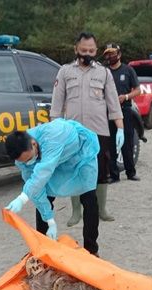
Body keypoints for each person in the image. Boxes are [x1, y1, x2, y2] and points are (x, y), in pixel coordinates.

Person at [50, 32, 125, 226]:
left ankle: (102, 209)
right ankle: (76, 211)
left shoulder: (104, 72)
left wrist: (120, 128)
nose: (87, 53)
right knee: (75, 169)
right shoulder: (65, 71)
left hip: (98, 131)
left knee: (101, 170)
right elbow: (57, 103)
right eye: (84, 50)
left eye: (91, 50)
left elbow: (113, 102)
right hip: (73, 132)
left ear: (96, 51)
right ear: (76, 49)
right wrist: (55, 129)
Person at [4, 119, 100, 255]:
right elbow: (37, 190)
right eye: (24, 161)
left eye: (29, 158)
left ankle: (91, 250)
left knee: (89, 199)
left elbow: (44, 171)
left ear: (33, 143)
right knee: (43, 195)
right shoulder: (23, 160)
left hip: (80, 157)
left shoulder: (54, 134)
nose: (28, 162)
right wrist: (50, 220)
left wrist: (22, 198)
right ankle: (42, 249)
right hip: (52, 164)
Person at [103, 43, 141, 182]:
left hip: (125, 110)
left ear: (119, 54)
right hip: (108, 112)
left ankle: (131, 172)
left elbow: (138, 90)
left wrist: (125, 97)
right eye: (107, 54)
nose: (110, 56)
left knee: (127, 142)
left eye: (112, 53)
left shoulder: (128, 70)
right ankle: (114, 175)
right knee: (111, 143)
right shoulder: (104, 71)